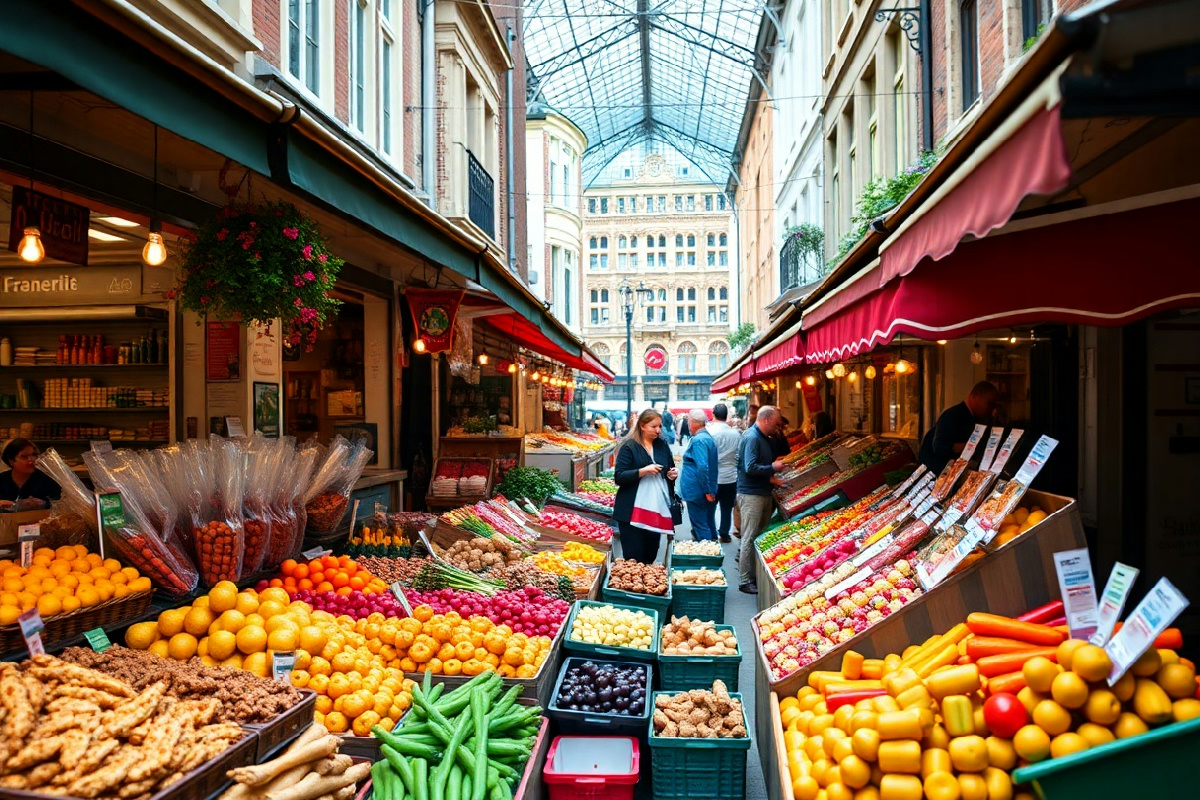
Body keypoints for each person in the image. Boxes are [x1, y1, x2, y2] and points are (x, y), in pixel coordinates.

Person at [613, 409, 679, 563]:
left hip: (655, 509)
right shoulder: (629, 447)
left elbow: (669, 468)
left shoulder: (662, 445)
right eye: (653, 426)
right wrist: (642, 471)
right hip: (631, 511)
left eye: (660, 426)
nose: (658, 430)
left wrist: (671, 475)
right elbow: (619, 477)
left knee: (650, 555)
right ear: (642, 426)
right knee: (634, 557)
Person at [735, 406, 787, 594]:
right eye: (775, 423)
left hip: (762, 491)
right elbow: (750, 467)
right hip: (751, 494)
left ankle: (753, 575)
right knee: (749, 537)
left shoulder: (764, 438)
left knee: (758, 535)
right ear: (765, 420)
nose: (777, 427)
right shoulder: (752, 438)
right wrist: (772, 467)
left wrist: (771, 478)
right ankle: (744, 580)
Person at [919, 381, 1000, 475]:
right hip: (937, 474)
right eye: (989, 404)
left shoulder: (976, 418)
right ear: (976, 396)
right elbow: (939, 447)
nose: (992, 409)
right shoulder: (953, 415)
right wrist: (971, 447)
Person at [679, 410, 718, 541]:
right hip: (702, 490)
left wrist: (707, 490)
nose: (688, 425)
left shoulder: (699, 440)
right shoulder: (705, 438)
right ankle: (712, 548)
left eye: (689, 422)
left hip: (697, 491)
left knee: (701, 524)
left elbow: (702, 467)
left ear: (693, 423)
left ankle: (706, 555)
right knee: (707, 521)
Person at [708, 403, 741, 543]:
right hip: (730, 476)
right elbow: (739, 455)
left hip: (714, 476)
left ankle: (710, 532)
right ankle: (724, 533)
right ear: (726, 415)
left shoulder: (710, 432)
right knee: (726, 507)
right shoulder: (736, 433)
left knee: (710, 507)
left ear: (713, 414)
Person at [0, 438, 61, 510]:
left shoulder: (48, 480)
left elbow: (59, 505)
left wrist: (44, 504)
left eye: (34, 455)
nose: (31, 460)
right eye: (24, 456)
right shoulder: (2, 480)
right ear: (11, 460)